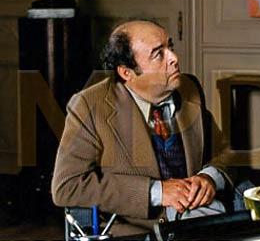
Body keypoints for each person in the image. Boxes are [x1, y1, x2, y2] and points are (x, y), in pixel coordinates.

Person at [52, 20, 235, 236]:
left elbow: (226, 152)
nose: (174, 58)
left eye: (170, 47)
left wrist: (210, 177)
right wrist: (157, 192)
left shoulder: (188, 87)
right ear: (126, 72)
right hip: (136, 231)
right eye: (158, 54)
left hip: (199, 220)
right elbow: (67, 186)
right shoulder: (89, 106)